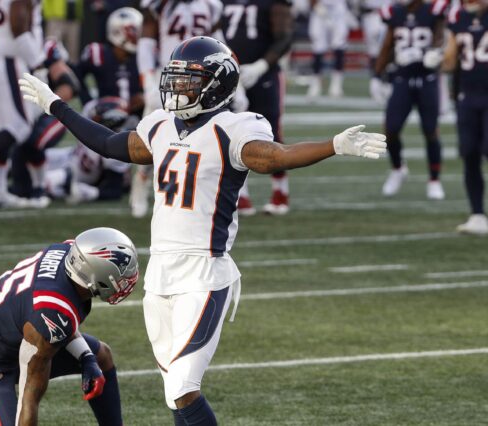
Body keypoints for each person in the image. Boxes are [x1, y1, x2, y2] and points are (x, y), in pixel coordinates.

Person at [20, 36, 386, 424]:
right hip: (160, 274)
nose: (178, 88)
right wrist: (55, 105)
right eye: (175, 79)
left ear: (217, 84)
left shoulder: (233, 129)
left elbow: (276, 157)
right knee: (175, 394)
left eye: (189, 80)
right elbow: (110, 144)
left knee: (182, 387)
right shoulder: (160, 126)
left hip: (204, 274)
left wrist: (334, 145)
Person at [0, 227, 139, 425]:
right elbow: (28, 398)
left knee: (101, 357)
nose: (127, 280)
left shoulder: (69, 256)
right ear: (95, 274)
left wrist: (87, 357)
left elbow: (60, 320)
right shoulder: (50, 311)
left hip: (24, 336)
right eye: (121, 275)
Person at [131, 0, 229, 218]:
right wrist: (147, 79)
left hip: (203, 78)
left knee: (209, 133)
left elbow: (218, 42)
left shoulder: (211, 4)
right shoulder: (160, 4)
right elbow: (146, 42)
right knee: (152, 138)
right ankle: (142, 181)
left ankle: (202, 189)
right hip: (171, 77)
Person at [0, 0, 48, 209]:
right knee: (20, 126)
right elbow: (18, 28)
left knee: (5, 128)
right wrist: (37, 62)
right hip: (9, 61)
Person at [221, 0, 295, 215]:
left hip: (264, 74)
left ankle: (280, 192)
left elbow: (285, 37)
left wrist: (261, 65)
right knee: (231, 133)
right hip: (229, 75)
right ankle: (239, 194)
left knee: (271, 132)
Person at [374, 0, 447, 200]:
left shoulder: (432, 10)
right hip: (402, 79)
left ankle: (434, 179)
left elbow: (440, 36)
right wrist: (376, 75)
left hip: (427, 79)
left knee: (430, 130)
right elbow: (388, 43)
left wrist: (430, 53)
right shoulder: (394, 12)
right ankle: (398, 168)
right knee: (390, 128)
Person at [442, 0, 488, 234]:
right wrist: (439, 61)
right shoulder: (458, 18)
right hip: (468, 98)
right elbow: (450, 59)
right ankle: (477, 214)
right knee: (469, 154)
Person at [45, 97, 135, 203]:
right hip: (69, 156)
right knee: (32, 156)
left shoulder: (116, 146)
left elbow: (115, 189)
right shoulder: (91, 113)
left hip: (73, 177)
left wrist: (90, 192)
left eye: (97, 117)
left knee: (43, 181)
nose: (93, 118)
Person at [75, 7, 144, 114]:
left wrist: (145, 96)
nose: (138, 35)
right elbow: (77, 75)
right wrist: (89, 103)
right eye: (134, 30)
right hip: (105, 118)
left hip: (138, 118)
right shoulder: (98, 53)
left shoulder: (142, 57)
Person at [307, 0, 350, 98]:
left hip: (338, 9)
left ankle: (336, 84)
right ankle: (316, 83)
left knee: (339, 46)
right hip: (320, 8)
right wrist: (316, 6)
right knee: (318, 47)